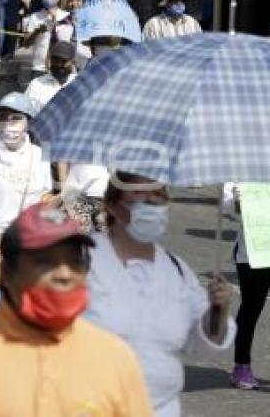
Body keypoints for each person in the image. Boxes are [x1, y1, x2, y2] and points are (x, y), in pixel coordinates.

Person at [0, 202, 154, 417]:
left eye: (75, 261)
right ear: (7, 273)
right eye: (46, 262)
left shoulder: (115, 358)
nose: (64, 274)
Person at [85, 173, 235, 417]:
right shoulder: (79, 261)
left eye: (157, 197)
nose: (150, 205)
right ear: (111, 206)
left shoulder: (176, 270)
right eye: (138, 197)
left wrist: (218, 308)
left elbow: (203, 342)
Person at [0, 92, 52, 311]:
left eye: (16, 118)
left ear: (28, 121)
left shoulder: (39, 155)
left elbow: (45, 195)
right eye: (3, 117)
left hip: (27, 241)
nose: (9, 124)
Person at [223, 183, 267, 389]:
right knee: (251, 306)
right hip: (253, 250)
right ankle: (242, 366)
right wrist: (237, 201)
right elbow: (226, 204)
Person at [22, 0, 74, 79]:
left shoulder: (67, 17)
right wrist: (37, 32)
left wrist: (55, 21)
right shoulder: (35, 17)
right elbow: (26, 44)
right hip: (40, 68)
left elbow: (70, 43)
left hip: (62, 67)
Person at [24, 40, 77, 114]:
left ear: (73, 62)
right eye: (55, 60)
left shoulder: (79, 85)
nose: (58, 64)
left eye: (63, 61)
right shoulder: (36, 85)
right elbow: (27, 112)